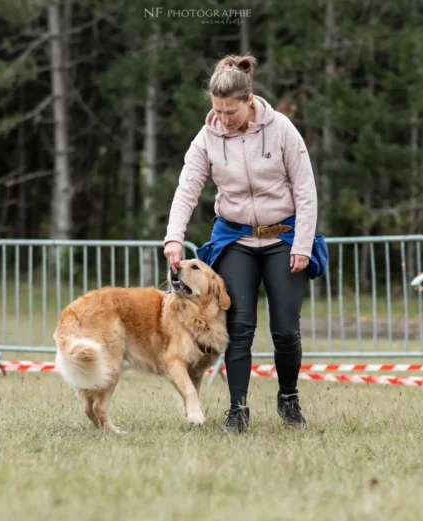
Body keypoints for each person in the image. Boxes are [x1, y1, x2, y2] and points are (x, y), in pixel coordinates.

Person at [162, 53, 319, 434]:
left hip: (283, 236)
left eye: (230, 111)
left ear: (249, 101)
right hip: (235, 237)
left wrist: (302, 244)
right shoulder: (207, 137)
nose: (223, 118)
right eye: (217, 110)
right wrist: (174, 236)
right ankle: (237, 409)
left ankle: (289, 399)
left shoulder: (281, 129)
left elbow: (305, 188)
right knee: (240, 324)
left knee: (285, 329)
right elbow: (187, 189)